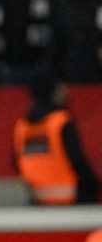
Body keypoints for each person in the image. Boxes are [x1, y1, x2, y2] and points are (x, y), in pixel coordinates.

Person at [13, 73, 99, 205]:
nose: (67, 91)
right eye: (62, 87)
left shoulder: (22, 127)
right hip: (71, 200)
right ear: (53, 92)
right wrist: (93, 185)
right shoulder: (61, 121)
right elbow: (77, 160)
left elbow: (17, 163)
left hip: (36, 202)